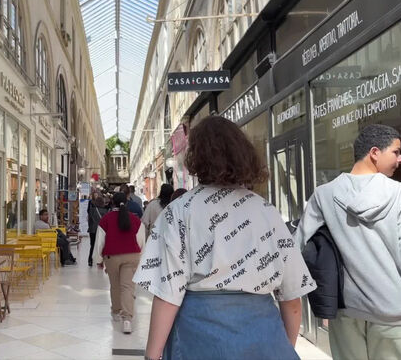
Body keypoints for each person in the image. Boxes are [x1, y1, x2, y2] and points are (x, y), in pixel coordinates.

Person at [134, 116, 316, 360]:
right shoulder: (266, 211)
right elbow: (292, 297)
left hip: (196, 339)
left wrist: (151, 356)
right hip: (262, 336)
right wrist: (283, 348)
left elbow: (168, 295)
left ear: (195, 158)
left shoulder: (179, 211)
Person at [296, 124, 401, 360]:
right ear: (374, 152)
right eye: (396, 151)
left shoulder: (325, 194)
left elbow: (299, 246)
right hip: (393, 315)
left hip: (346, 313)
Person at [94, 192, 146, 334]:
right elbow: (141, 241)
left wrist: (99, 260)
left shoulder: (106, 219)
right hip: (132, 256)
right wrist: (140, 257)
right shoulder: (135, 220)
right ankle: (127, 319)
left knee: (115, 286)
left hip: (112, 256)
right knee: (128, 287)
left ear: (112, 203)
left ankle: (116, 312)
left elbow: (100, 242)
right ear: (127, 202)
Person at [87, 193, 109, 267]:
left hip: (92, 229)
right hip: (101, 230)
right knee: (102, 244)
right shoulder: (105, 211)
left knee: (92, 245)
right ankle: (101, 260)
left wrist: (90, 227)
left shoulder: (92, 210)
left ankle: (90, 259)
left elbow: (89, 220)